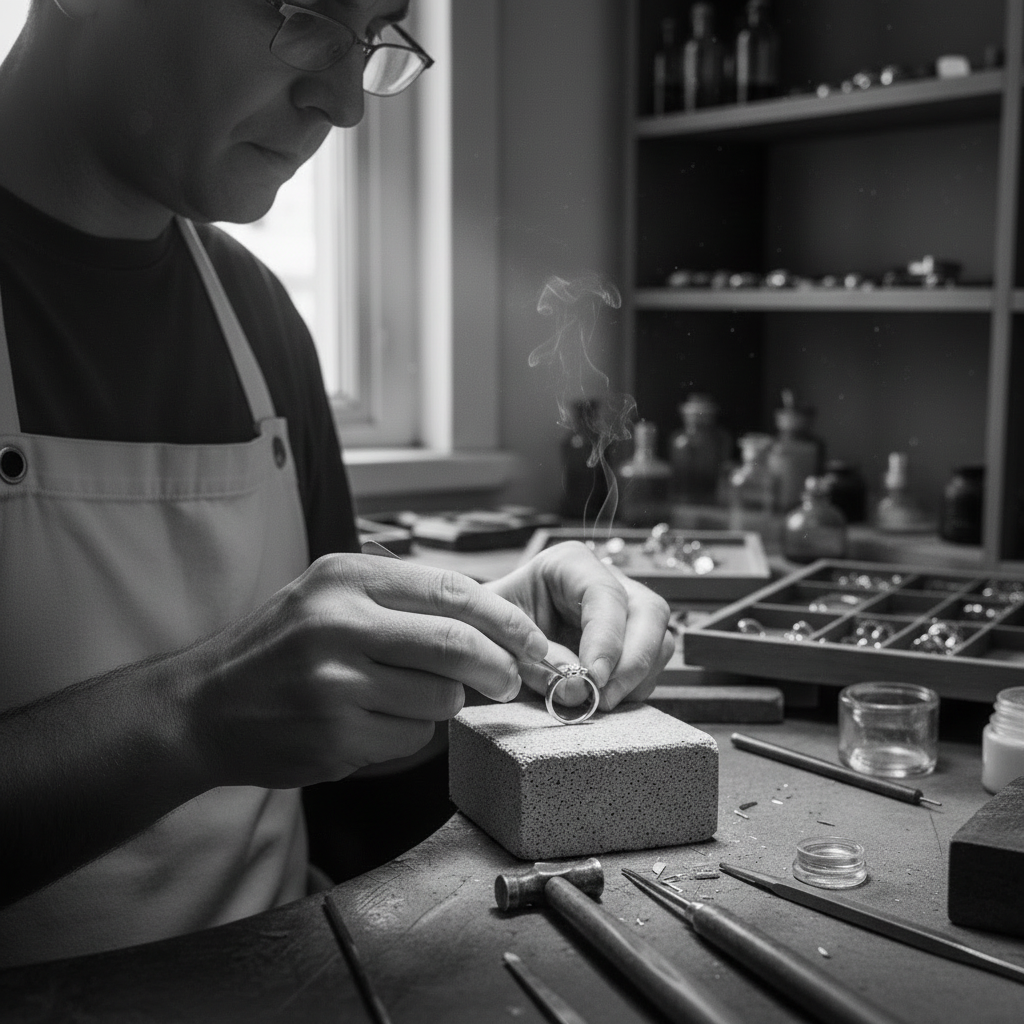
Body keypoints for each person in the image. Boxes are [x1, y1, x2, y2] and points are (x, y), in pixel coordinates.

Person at [0, 0, 674, 968]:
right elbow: (236, 699)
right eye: (304, 10)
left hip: (285, 978)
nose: (346, 103)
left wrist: (482, 641)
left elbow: (322, 715)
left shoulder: (255, 315)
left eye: (373, 35)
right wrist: (195, 717)